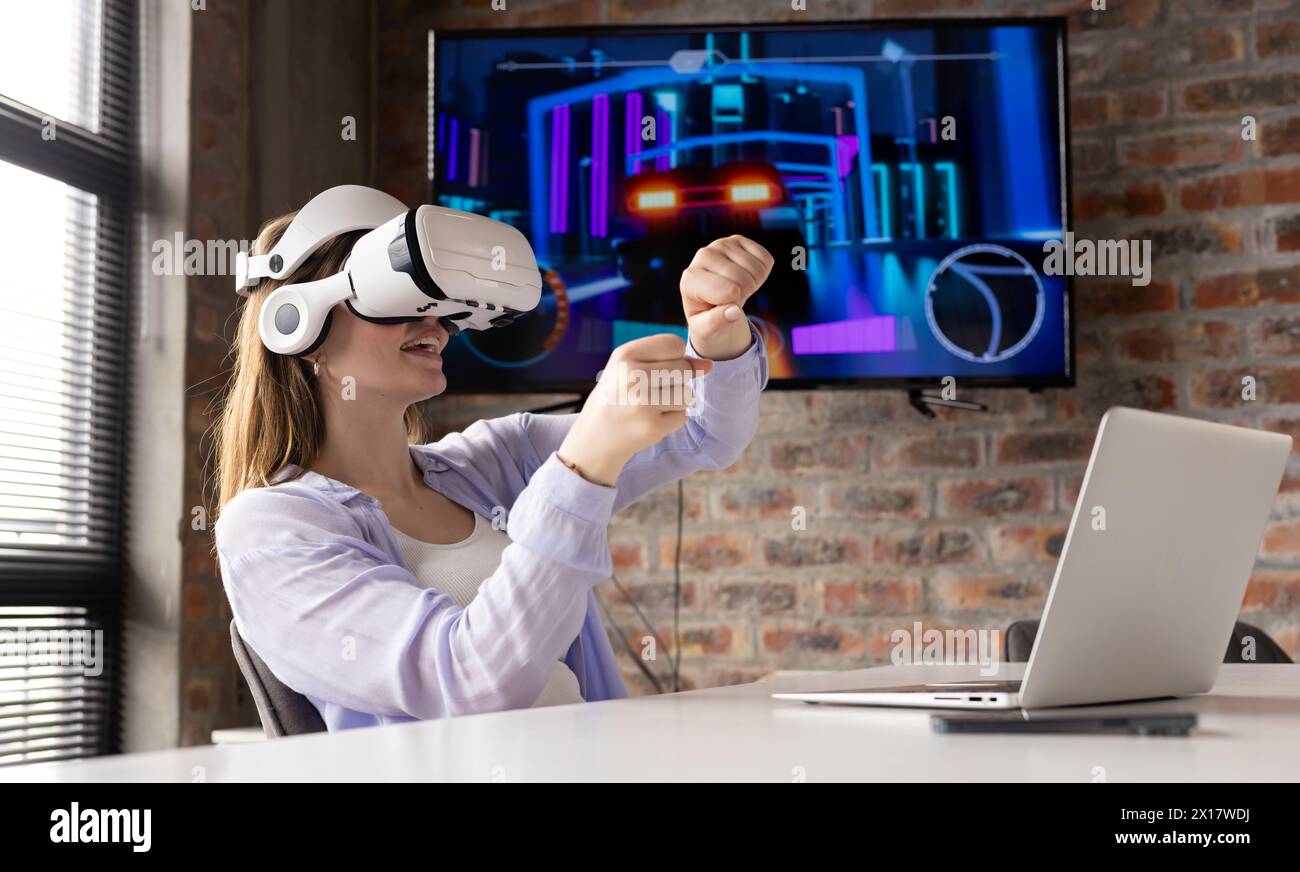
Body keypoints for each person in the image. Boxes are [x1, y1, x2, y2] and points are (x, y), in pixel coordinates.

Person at [213, 211, 772, 730]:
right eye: (398, 296)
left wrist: (715, 337)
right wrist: (584, 467)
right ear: (298, 326)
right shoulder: (271, 531)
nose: (435, 322)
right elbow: (469, 679)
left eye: (437, 300)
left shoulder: (493, 461)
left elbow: (702, 433)